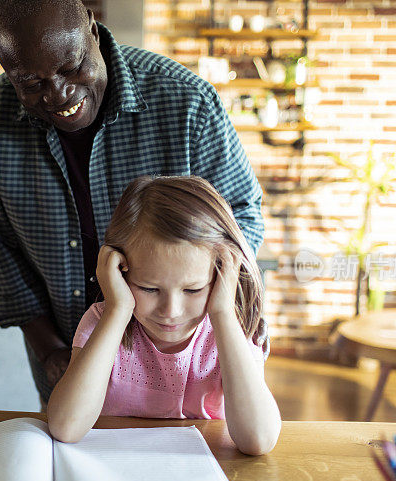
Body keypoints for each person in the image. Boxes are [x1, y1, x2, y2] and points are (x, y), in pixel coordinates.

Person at [0, 0, 267, 406]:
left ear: (91, 25)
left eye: (71, 68)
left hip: (186, 360)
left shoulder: (186, 102)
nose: (58, 94)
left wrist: (230, 309)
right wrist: (52, 352)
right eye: (30, 84)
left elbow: (241, 219)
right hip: (62, 353)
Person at [47, 176, 281, 456]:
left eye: (193, 289)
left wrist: (222, 313)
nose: (171, 311)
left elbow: (259, 440)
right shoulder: (102, 322)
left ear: (221, 275)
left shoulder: (234, 327)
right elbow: (66, 427)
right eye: (149, 288)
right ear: (120, 272)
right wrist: (118, 309)